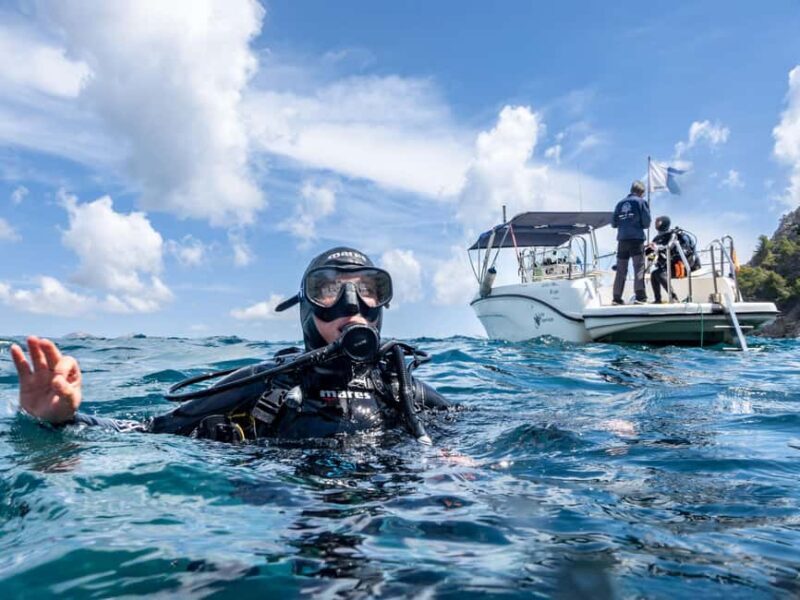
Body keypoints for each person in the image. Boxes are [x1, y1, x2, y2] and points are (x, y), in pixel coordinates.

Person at [10, 247, 449, 444]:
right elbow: (149, 431)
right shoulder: (268, 384)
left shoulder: (401, 390)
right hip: (295, 515)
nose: (351, 306)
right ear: (305, 307)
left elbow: (481, 434)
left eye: (369, 289)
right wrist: (61, 422)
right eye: (329, 289)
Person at [611, 180, 651, 305]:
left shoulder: (619, 203)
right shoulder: (641, 202)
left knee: (621, 269)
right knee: (638, 267)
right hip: (636, 239)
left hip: (622, 240)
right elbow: (647, 222)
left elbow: (613, 223)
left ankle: (616, 298)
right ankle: (640, 297)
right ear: (641, 192)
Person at [647, 216, 700, 303]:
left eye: (658, 222)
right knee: (654, 274)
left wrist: (660, 248)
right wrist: (649, 252)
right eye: (655, 222)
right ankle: (657, 299)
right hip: (669, 266)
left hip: (683, 267)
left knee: (659, 274)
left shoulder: (676, 236)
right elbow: (650, 257)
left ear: (664, 223)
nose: (656, 224)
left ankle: (674, 298)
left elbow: (684, 252)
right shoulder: (656, 239)